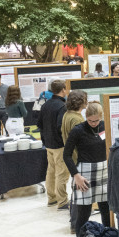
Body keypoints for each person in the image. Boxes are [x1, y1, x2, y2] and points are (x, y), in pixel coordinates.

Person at [64, 102, 111, 237]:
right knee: (84, 214)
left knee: (106, 211)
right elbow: (66, 155)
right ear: (86, 117)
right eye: (90, 120)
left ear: (101, 117)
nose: (93, 123)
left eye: (96, 120)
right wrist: (76, 175)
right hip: (84, 174)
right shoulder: (78, 130)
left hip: (104, 172)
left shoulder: (105, 126)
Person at [40, 79, 70, 209]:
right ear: (63, 90)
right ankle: (62, 201)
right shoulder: (62, 106)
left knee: (51, 171)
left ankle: (51, 198)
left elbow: (39, 124)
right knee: (62, 173)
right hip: (59, 145)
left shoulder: (45, 105)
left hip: (48, 143)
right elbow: (60, 127)